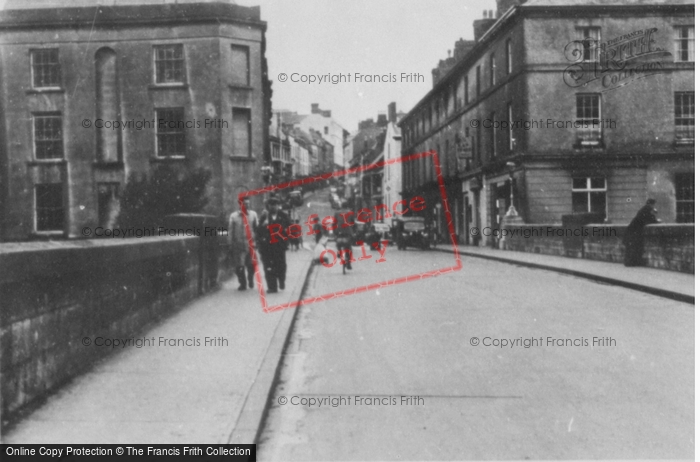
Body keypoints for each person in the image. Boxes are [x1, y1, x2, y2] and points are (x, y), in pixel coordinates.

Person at [256, 196, 291, 293]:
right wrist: (263, 225)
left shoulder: (283, 216)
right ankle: (272, 287)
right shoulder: (265, 216)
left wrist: (286, 238)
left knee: (281, 265)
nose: (273, 207)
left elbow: (290, 228)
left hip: (280, 246)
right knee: (269, 267)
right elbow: (258, 231)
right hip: (268, 247)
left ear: (278, 206)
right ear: (268, 206)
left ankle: (281, 280)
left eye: (275, 205)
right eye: (271, 205)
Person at [228, 197, 259, 291]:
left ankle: (250, 278)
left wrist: (258, 241)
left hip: (251, 244)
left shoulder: (253, 215)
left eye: (248, 203)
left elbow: (257, 229)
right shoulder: (233, 216)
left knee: (252, 265)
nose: (247, 205)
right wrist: (230, 244)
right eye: (245, 203)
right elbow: (230, 231)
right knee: (239, 266)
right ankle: (243, 283)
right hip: (238, 245)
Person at [624, 199, 660, 267]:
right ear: (651, 204)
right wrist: (657, 220)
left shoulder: (644, 209)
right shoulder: (647, 208)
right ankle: (631, 263)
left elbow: (647, 218)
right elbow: (650, 219)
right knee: (634, 247)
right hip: (634, 231)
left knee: (632, 247)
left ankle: (630, 262)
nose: (653, 206)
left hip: (632, 230)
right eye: (653, 205)